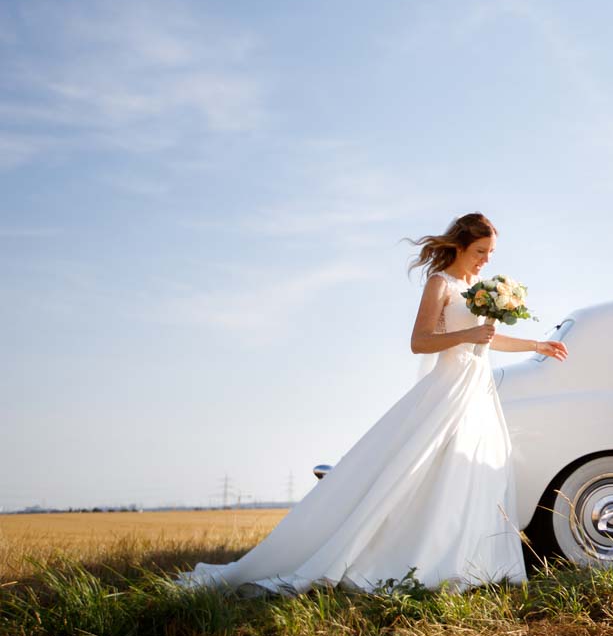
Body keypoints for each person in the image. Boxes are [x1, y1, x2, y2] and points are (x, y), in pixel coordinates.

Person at [177, 212, 567, 594]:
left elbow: (489, 339)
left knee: (470, 470)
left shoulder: (481, 286)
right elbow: (420, 342)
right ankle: (400, 556)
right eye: (481, 251)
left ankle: (468, 562)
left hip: (477, 389)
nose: (487, 259)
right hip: (447, 388)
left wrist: (536, 345)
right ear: (461, 246)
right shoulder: (441, 284)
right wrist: (469, 336)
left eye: (492, 253)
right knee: (415, 467)